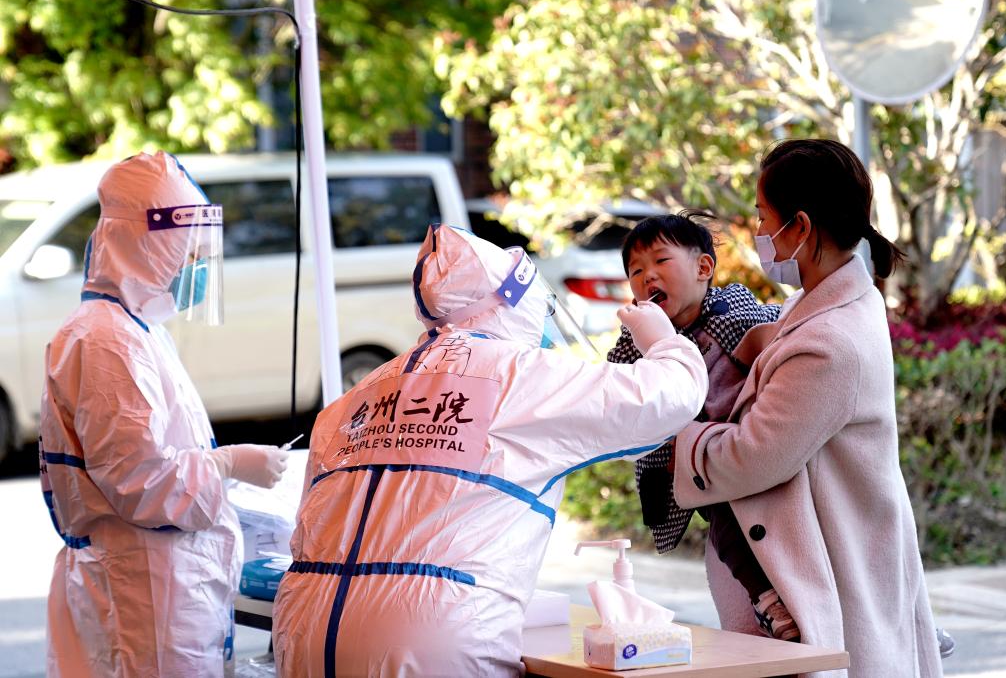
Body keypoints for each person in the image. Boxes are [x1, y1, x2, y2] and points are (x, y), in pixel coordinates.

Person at [272, 224, 709, 676]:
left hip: (306, 626)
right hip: (433, 632)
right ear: (517, 302)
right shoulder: (519, 373)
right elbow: (668, 397)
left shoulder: (357, 395)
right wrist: (664, 341)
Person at [671, 138, 943, 676]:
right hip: (838, 564)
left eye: (762, 217)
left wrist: (678, 432)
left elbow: (752, 458)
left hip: (831, 585)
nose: (758, 232)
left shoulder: (828, 344)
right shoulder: (827, 305)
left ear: (799, 227)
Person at [39, 151, 290, 677]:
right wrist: (229, 464)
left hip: (158, 586)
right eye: (187, 252)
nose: (195, 268)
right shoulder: (107, 341)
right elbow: (143, 483)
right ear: (148, 244)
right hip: (144, 595)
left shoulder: (134, 331)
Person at [607, 210, 797, 640]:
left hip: (752, 440)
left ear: (703, 267)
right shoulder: (638, 340)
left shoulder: (731, 307)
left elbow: (777, 333)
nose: (647, 276)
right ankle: (769, 602)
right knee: (728, 526)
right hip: (704, 463)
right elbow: (619, 389)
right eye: (635, 271)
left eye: (661, 261)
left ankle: (896, 614)